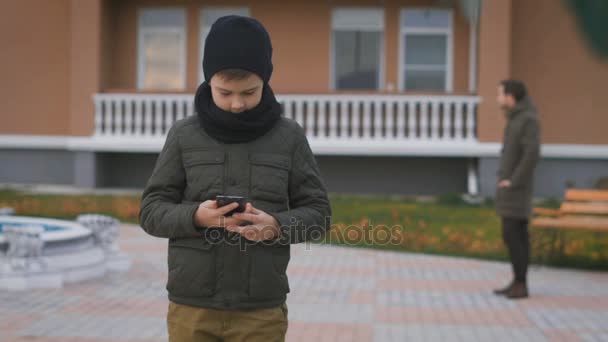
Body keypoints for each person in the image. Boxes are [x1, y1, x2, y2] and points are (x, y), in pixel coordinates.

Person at [139, 15, 331, 342]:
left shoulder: (289, 137)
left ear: (266, 82)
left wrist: (277, 226)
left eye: (249, 92)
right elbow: (151, 211)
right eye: (224, 92)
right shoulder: (184, 135)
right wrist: (196, 217)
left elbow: (319, 214)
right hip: (192, 309)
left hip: (261, 312)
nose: (237, 104)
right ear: (208, 81)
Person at [493, 79, 541, 299]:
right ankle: (517, 281)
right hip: (509, 188)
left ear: (511, 97)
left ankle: (521, 284)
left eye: (500, 94)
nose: (498, 99)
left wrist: (514, 181)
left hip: (517, 190)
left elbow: (531, 154)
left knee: (514, 236)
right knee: (512, 236)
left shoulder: (527, 120)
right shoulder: (516, 118)